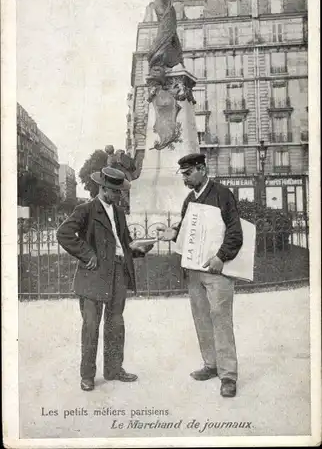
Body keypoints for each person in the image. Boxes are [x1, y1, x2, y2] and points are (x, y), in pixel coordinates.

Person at [56, 167, 153, 392]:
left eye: (120, 191)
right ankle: (88, 376)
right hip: (94, 275)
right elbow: (64, 233)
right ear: (102, 188)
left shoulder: (119, 212)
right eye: (115, 191)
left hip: (119, 272)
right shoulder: (86, 209)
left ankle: (113, 370)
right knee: (91, 326)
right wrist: (87, 254)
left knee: (115, 323)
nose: (119, 195)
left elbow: (124, 241)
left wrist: (137, 248)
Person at [158, 153, 243, 397]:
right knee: (201, 319)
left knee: (221, 321)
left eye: (188, 173)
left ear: (202, 169)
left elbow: (235, 232)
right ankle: (211, 365)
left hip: (217, 270)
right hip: (194, 272)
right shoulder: (189, 199)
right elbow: (186, 232)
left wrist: (221, 257)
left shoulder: (222, 194)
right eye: (182, 174)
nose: (184, 178)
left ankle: (228, 376)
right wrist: (172, 234)